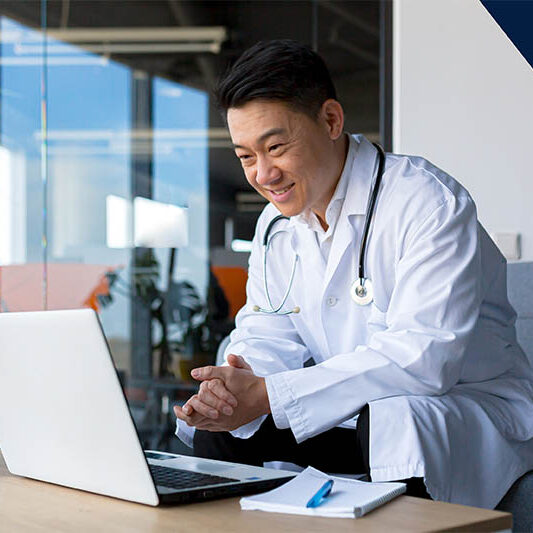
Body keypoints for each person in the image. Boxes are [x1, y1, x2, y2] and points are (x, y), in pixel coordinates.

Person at [174, 39, 533, 508]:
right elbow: (267, 332)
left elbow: (423, 359)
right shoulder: (274, 226)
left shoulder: (428, 204)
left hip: (459, 406)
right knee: (225, 435)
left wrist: (270, 395)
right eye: (245, 157)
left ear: (330, 121)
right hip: (346, 410)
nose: (264, 174)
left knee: (397, 422)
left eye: (276, 147)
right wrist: (231, 387)